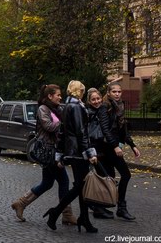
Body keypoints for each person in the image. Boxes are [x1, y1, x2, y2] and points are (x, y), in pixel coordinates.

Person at [10, 84, 76, 225]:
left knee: (47, 183)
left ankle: (21, 203)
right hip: (48, 152)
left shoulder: (57, 108)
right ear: (50, 96)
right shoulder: (43, 109)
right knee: (63, 181)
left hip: (54, 151)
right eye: (58, 95)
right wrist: (63, 122)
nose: (60, 97)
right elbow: (49, 127)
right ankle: (67, 214)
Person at [43, 80, 99, 233]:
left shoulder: (67, 106)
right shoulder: (76, 107)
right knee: (80, 187)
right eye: (82, 90)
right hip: (79, 153)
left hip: (72, 152)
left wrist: (60, 155)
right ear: (78, 91)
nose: (83, 93)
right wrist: (90, 153)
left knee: (81, 187)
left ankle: (84, 219)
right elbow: (81, 132)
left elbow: (62, 132)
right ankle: (55, 212)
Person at [101, 82, 141, 220]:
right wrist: (115, 146)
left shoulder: (120, 106)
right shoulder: (105, 107)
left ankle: (103, 206)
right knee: (122, 175)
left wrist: (132, 145)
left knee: (111, 178)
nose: (117, 94)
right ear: (108, 93)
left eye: (119, 92)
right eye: (114, 92)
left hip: (113, 146)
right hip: (106, 148)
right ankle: (118, 208)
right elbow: (105, 129)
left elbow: (123, 129)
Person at [86, 88, 115, 219]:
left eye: (98, 99)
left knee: (103, 175)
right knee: (97, 177)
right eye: (93, 99)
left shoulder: (99, 110)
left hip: (100, 147)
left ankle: (100, 206)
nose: (96, 101)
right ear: (89, 101)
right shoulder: (89, 113)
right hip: (93, 147)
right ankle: (97, 208)